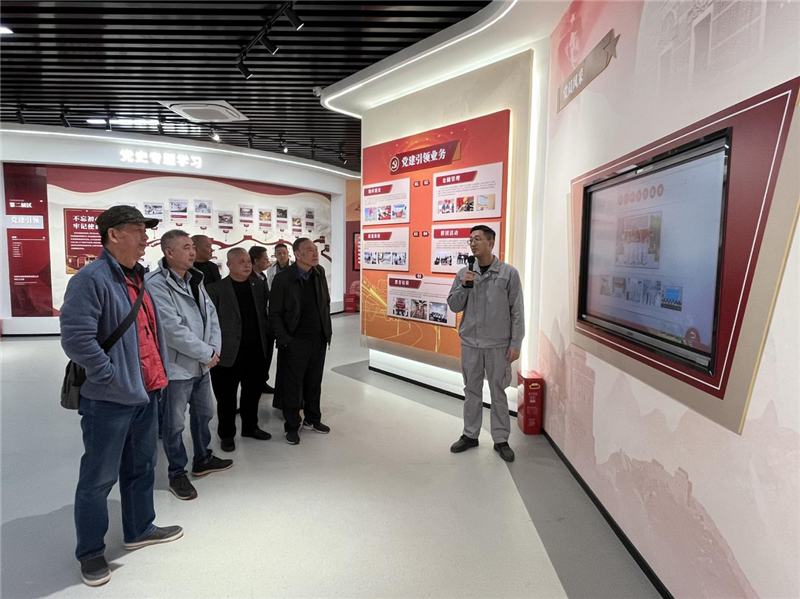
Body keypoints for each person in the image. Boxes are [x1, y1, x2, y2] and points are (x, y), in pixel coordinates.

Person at [60, 206, 182, 587]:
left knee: (142, 467)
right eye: (137, 230)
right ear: (113, 234)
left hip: (146, 392)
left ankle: (139, 528)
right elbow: (76, 339)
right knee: (98, 478)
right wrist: (110, 376)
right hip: (109, 399)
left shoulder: (138, 276)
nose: (145, 237)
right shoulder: (90, 279)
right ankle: (91, 552)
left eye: (146, 230)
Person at [146, 229, 232, 501]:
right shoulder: (156, 284)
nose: (192, 251)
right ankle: (176, 473)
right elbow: (172, 330)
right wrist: (206, 353)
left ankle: (203, 458)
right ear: (169, 252)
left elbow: (211, 316)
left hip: (201, 365)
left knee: (204, 414)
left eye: (193, 246)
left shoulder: (195, 278)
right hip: (177, 368)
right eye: (186, 247)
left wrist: (213, 350)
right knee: (174, 425)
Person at [446, 225, 524, 463]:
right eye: (470, 239)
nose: (473, 243)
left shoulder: (508, 273)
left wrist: (516, 343)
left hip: (498, 344)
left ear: (491, 243)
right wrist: (464, 286)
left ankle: (501, 439)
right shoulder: (464, 273)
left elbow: (517, 311)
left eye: (477, 239)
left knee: (498, 391)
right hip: (471, 343)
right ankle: (470, 434)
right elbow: (454, 305)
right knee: (471, 390)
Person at [207, 248, 272, 452]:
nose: (247, 265)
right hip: (227, 353)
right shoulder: (215, 289)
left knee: (252, 393)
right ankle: (226, 435)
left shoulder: (258, 285)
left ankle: (250, 427)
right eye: (241, 261)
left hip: (255, 350)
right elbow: (209, 323)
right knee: (226, 398)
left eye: (248, 261)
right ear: (229, 265)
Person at [269, 238, 332, 445]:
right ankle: (292, 425)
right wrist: (285, 339)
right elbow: (275, 313)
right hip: (295, 340)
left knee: (314, 381)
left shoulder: (318, 272)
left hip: (318, 338)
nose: (315, 253)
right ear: (297, 254)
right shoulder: (283, 278)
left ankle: (313, 419)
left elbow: (325, 302)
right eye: (309, 250)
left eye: (315, 249)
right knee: (292, 384)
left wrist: (326, 331)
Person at [249, 245, 275, 394]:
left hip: (266, 324)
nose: (268, 261)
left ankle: (262, 381)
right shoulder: (250, 279)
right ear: (256, 261)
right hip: (258, 326)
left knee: (267, 354)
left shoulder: (262, 277)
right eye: (265, 259)